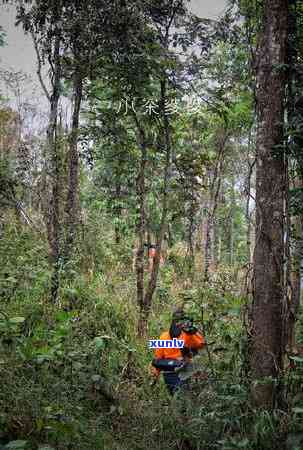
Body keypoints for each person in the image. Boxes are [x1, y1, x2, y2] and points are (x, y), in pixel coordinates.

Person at [151, 309, 206, 395]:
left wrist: (155, 375)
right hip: (176, 372)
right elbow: (201, 344)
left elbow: (158, 358)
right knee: (182, 399)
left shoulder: (167, 336)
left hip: (175, 372)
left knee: (179, 398)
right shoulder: (182, 335)